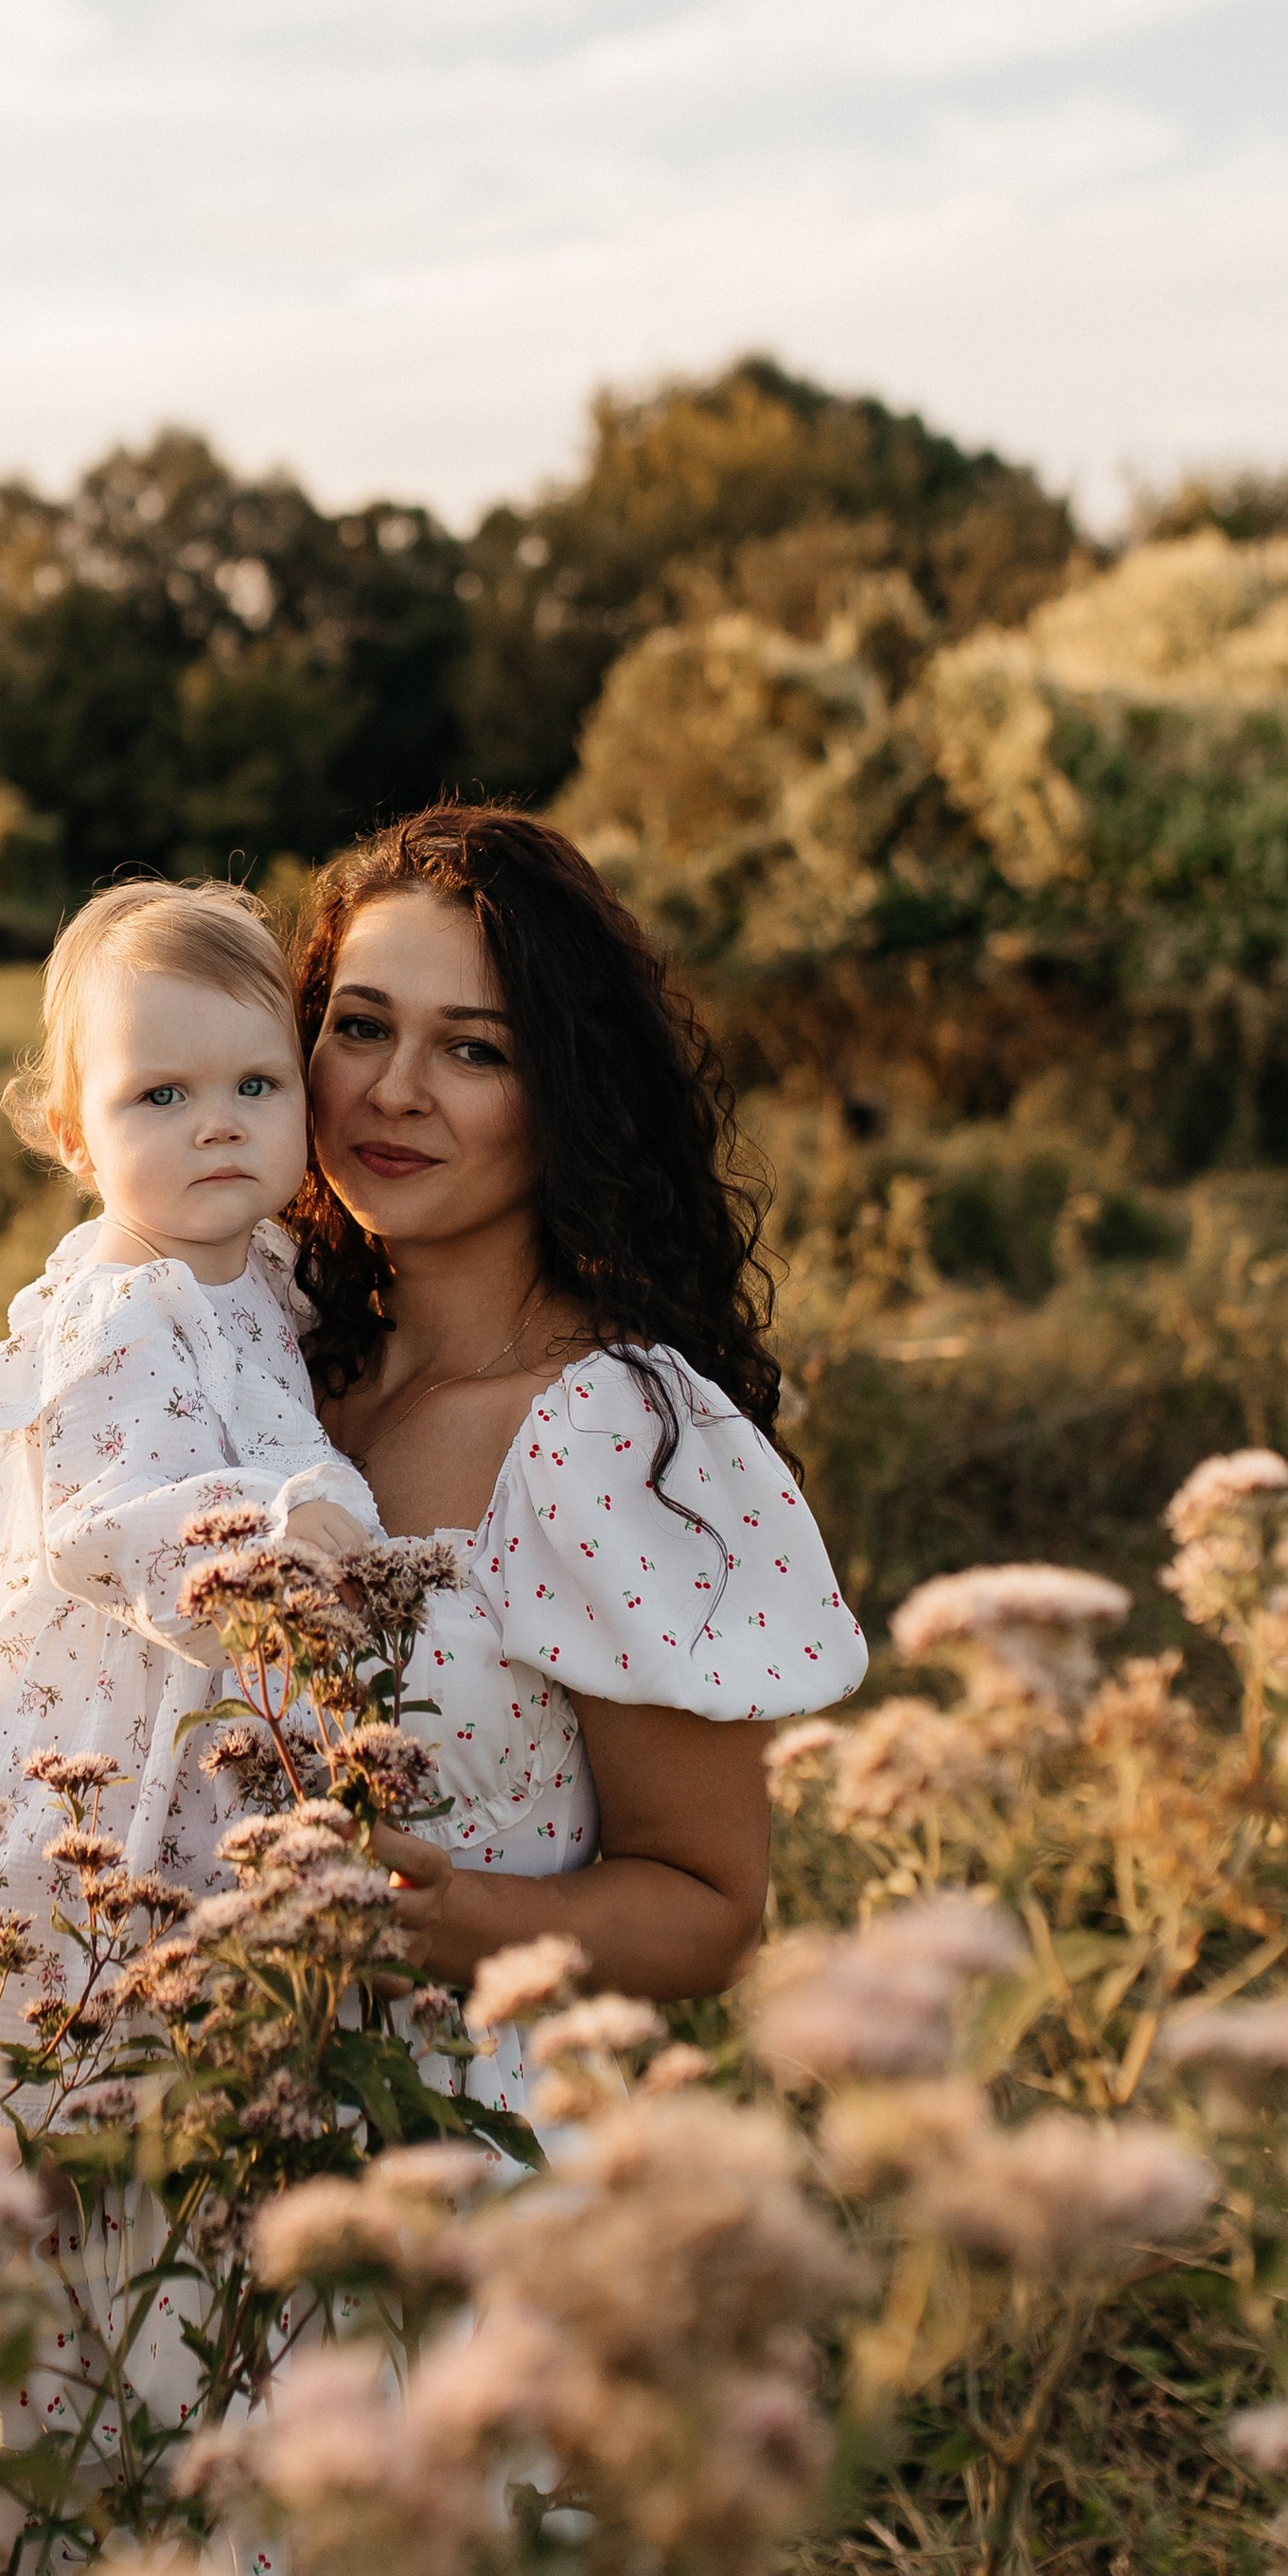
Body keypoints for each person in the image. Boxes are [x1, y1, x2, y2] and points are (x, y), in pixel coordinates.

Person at [291, 804, 868, 2003]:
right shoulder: (261, 1361)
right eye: (359, 1028)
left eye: (474, 1050)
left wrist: (456, 1923)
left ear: (565, 1099)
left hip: (439, 2119)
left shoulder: (609, 1436)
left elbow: (710, 1915)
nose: (394, 1090)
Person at [0, 875, 379, 2019]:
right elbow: (113, 1515)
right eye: (160, 1095)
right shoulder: (122, 1306)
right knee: (95, 1963)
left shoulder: (262, 1273)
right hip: (109, 1705)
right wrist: (284, 1528)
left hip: (215, 1681)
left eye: (255, 1083)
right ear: (71, 1135)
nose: (218, 1122)